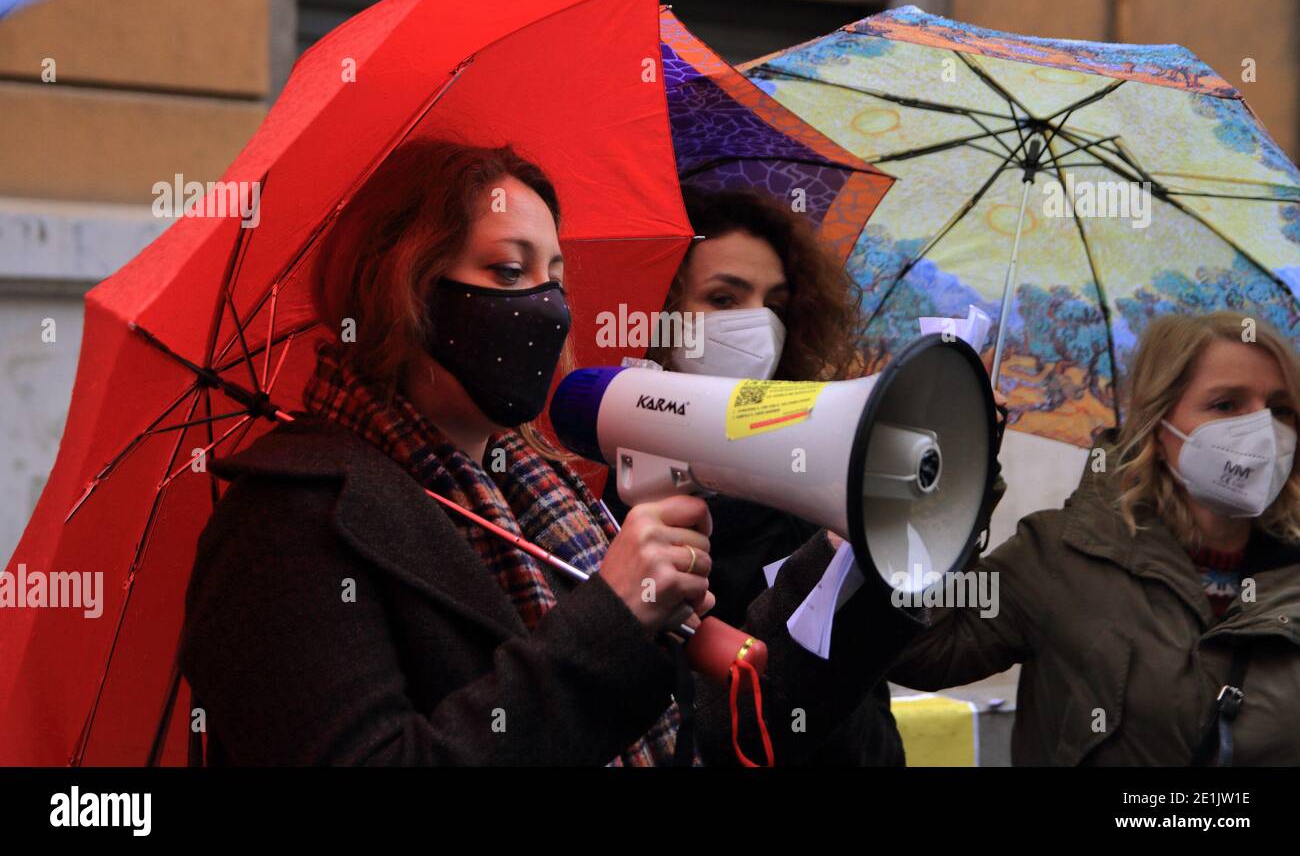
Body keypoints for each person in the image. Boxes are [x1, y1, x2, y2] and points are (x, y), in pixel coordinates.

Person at [178, 139, 919, 766]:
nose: (546, 307)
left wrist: (863, 554)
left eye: (556, 279)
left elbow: (731, 727)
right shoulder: (288, 522)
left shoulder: (550, 502)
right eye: (508, 273)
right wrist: (611, 623)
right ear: (401, 285)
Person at [889, 311, 1300, 765]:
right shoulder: (1058, 555)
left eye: (1279, 409)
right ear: (1158, 423)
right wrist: (953, 476)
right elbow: (923, 650)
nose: (1262, 432)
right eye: (1226, 405)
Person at [600, 185, 920, 765]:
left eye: (774, 304)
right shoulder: (600, 511)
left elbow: (867, 726)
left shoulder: (810, 499)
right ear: (658, 312)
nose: (759, 327)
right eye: (724, 299)